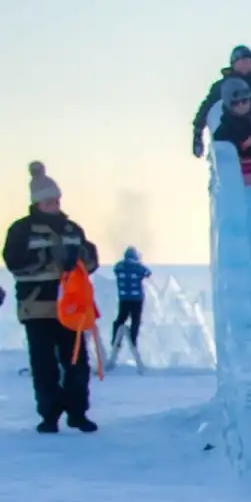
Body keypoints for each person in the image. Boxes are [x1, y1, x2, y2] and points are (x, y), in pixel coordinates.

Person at [4, 164, 100, 433]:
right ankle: (49, 416)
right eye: (48, 201)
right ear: (36, 202)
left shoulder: (72, 229)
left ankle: (78, 413)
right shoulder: (21, 230)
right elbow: (14, 262)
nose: (54, 204)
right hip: (37, 308)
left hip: (71, 309)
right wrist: (49, 260)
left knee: (77, 363)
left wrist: (80, 259)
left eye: (56, 200)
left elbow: (91, 260)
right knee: (44, 366)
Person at [193, 46, 251, 161]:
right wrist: (198, 131)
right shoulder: (223, 86)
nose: (244, 63)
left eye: (247, 60)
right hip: (235, 131)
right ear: (233, 64)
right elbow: (207, 107)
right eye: (241, 60)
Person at [212, 79, 251, 186]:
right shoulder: (225, 126)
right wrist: (242, 145)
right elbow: (221, 150)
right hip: (240, 178)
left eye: (244, 101)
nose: (241, 105)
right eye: (235, 103)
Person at [110, 246, 150, 362]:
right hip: (137, 299)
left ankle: (115, 341)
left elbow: (116, 271)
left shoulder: (119, 266)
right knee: (135, 320)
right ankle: (133, 341)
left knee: (121, 318)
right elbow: (147, 272)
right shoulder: (138, 267)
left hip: (123, 298)